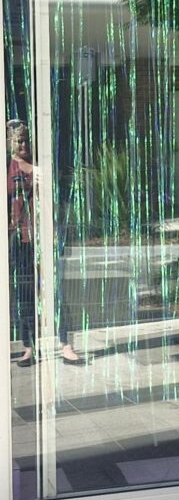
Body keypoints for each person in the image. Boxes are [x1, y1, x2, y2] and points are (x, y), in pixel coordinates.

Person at [6, 120, 85, 368]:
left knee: (54, 291)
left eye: (26, 141)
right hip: (20, 239)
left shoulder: (40, 167)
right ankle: (28, 346)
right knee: (25, 294)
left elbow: (53, 196)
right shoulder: (7, 168)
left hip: (43, 237)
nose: (23, 146)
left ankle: (65, 344)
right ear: (9, 144)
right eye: (18, 141)